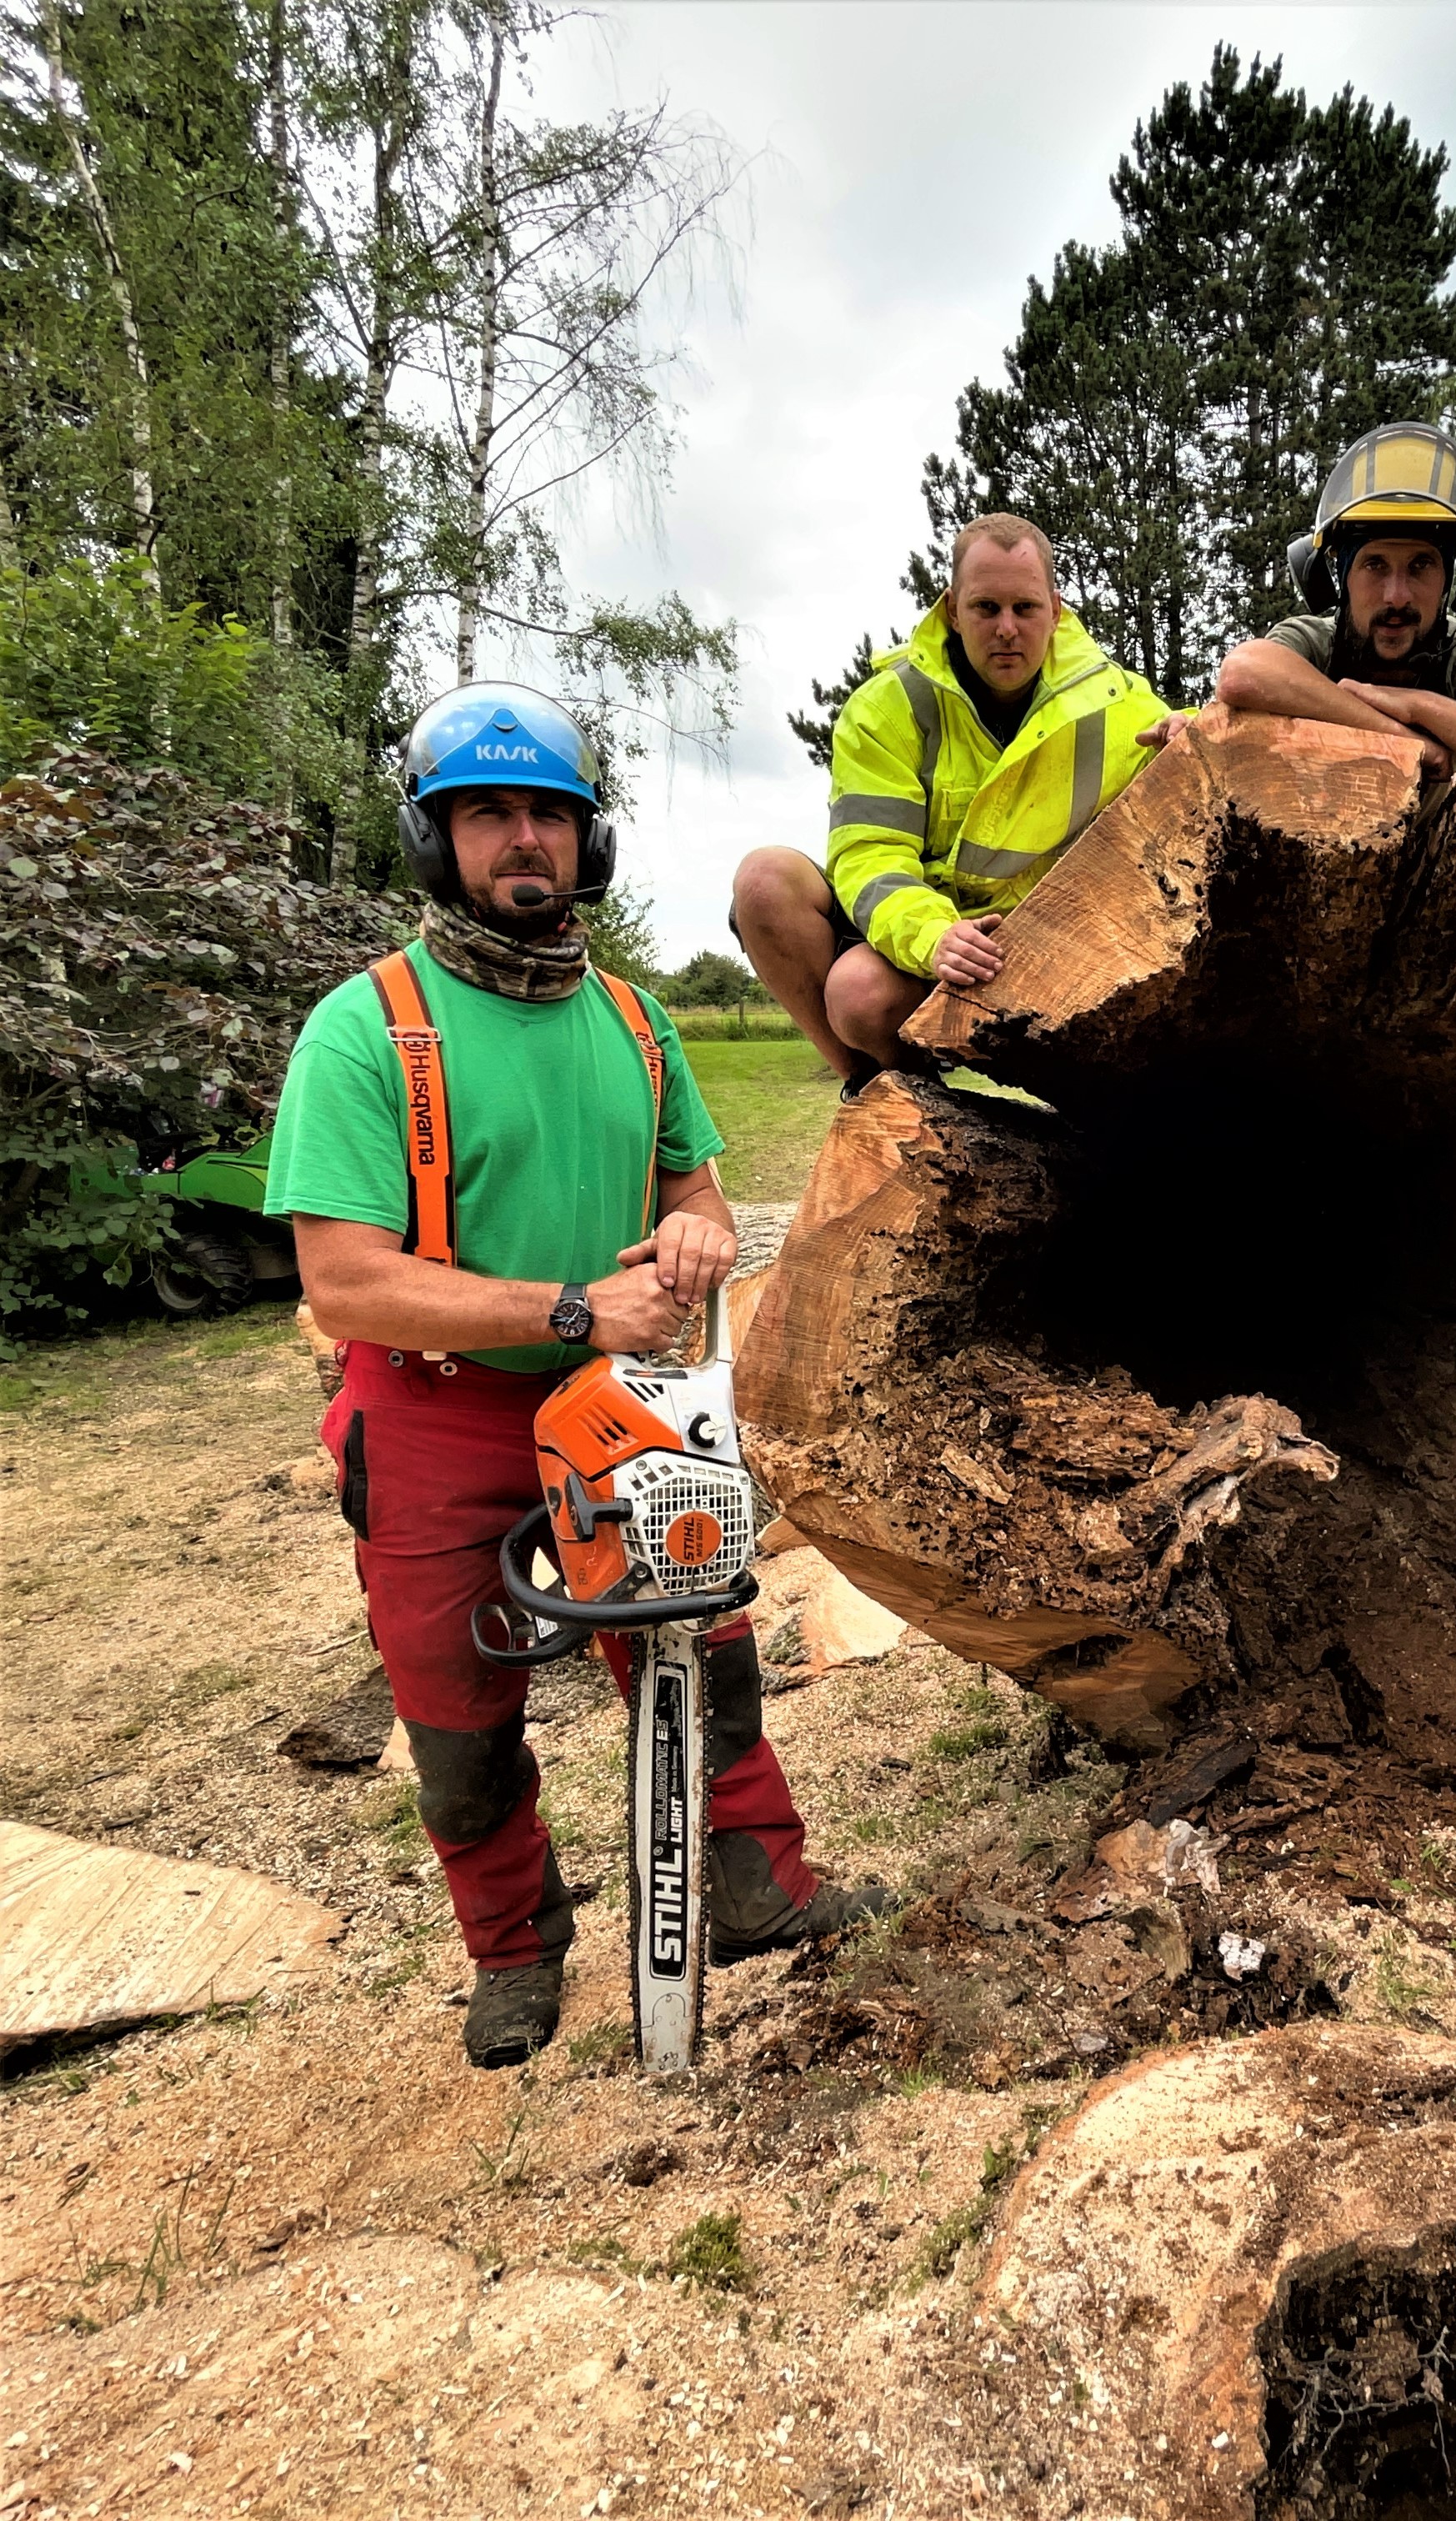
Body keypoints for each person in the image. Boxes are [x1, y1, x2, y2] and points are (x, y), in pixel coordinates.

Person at [268, 683, 879, 2071]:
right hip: (433, 1408)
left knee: (701, 1644)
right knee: (453, 1703)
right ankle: (515, 1947)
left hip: (615, 1404)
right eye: (488, 814)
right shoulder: (369, 1030)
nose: (522, 841)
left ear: (585, 841)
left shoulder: (631, 1018)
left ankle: (752, 1880)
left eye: (547, 812)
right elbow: (342, 1279)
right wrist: (566, 1303)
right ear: (437, 840)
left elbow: (704, 1195)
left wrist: (697, 1234)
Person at [733, 514, 1188, 1084]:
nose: (1006, 629)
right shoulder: (885, 708)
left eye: (1024, 608)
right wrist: (933, 938)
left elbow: (1187, 737)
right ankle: (878, 1086)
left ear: (1057, 609)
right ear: (952, 608)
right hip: (924, 942)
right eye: (985, 607)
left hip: (1039, 952)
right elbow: (869, 855)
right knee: (773, 893)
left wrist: (1189, 733)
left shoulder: (1115, 701)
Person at [1213, 422, 1456, 794]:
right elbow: (1243, 674)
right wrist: (1403, 738)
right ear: (1340, 579)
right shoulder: (1314, 643)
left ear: (1453, 582)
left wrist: (1419, 705)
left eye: (1421, 565)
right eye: (1375, 565)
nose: (1396, 596)